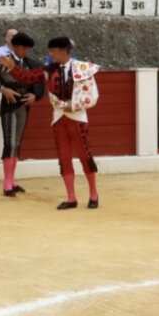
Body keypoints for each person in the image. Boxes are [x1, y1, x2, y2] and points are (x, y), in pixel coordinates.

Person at [44, 37, 100, 209]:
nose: (50, 54)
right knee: (64, 158)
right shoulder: (49, 70)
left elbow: (93, 96)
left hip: (77, 117)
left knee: (85, 155)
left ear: (63, 51)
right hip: (59, 118)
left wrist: (74, 105)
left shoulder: (83, 69)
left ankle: (93, 194)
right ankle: (71, 197)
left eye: (53, 50)